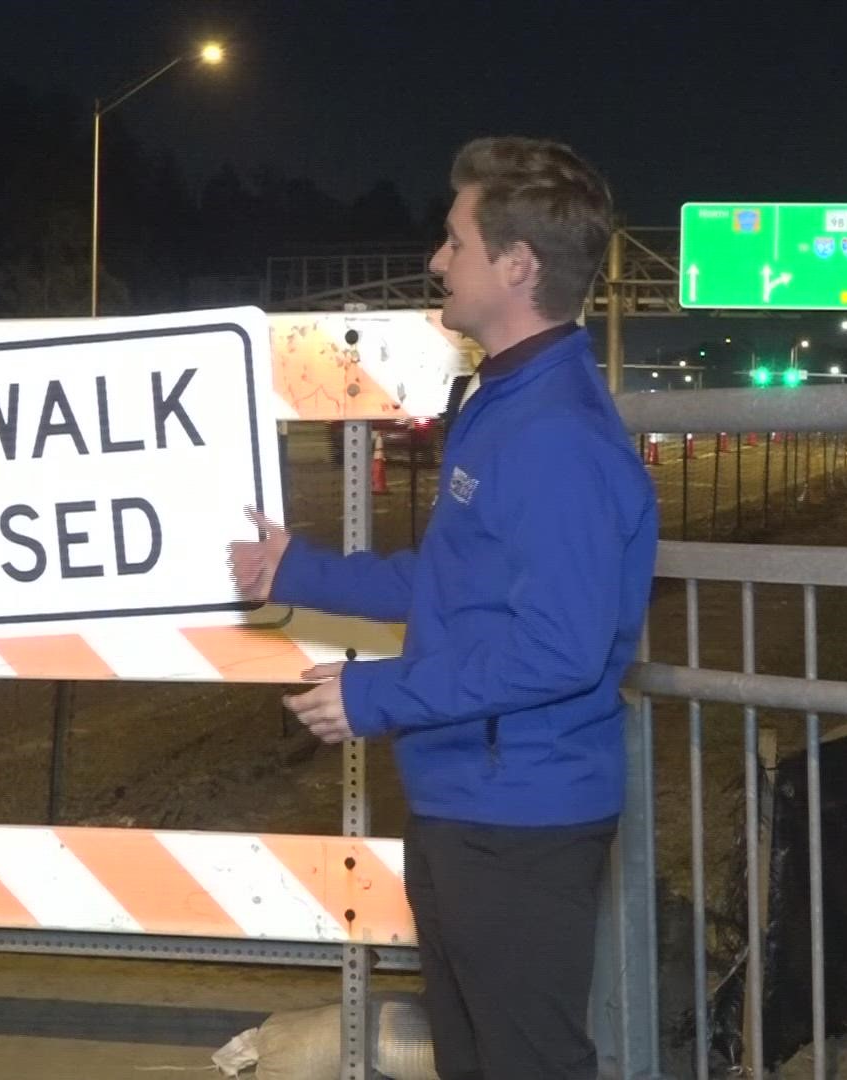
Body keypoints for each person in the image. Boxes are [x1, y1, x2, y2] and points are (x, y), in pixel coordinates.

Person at [229, 136, 657, 1080]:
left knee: (527, 1062)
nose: (435, 260)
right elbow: (453, 584)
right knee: (473, 1058)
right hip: (472, 800)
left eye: (454, 240)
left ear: (517, 264)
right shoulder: (506, 403)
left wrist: (373, 698)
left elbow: (561, 650)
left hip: (520, 821)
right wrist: (296, 569)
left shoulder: (556, 439)